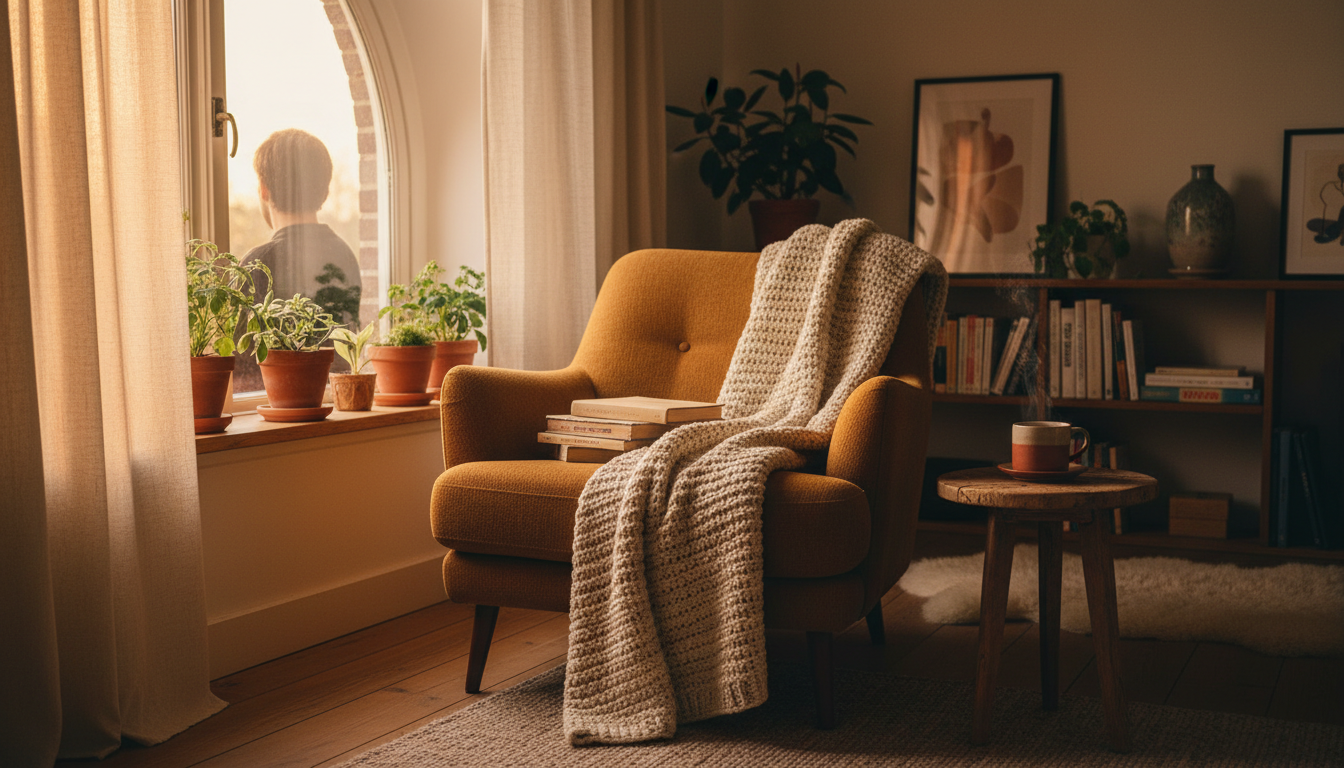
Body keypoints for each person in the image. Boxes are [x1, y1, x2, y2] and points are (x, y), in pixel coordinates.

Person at [235, 129, 363, 391]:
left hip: (278, 411)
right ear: (325, 191)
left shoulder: (257, 263)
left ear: (264, 190)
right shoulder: (345, 255)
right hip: (335, 404)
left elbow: (242, 371)